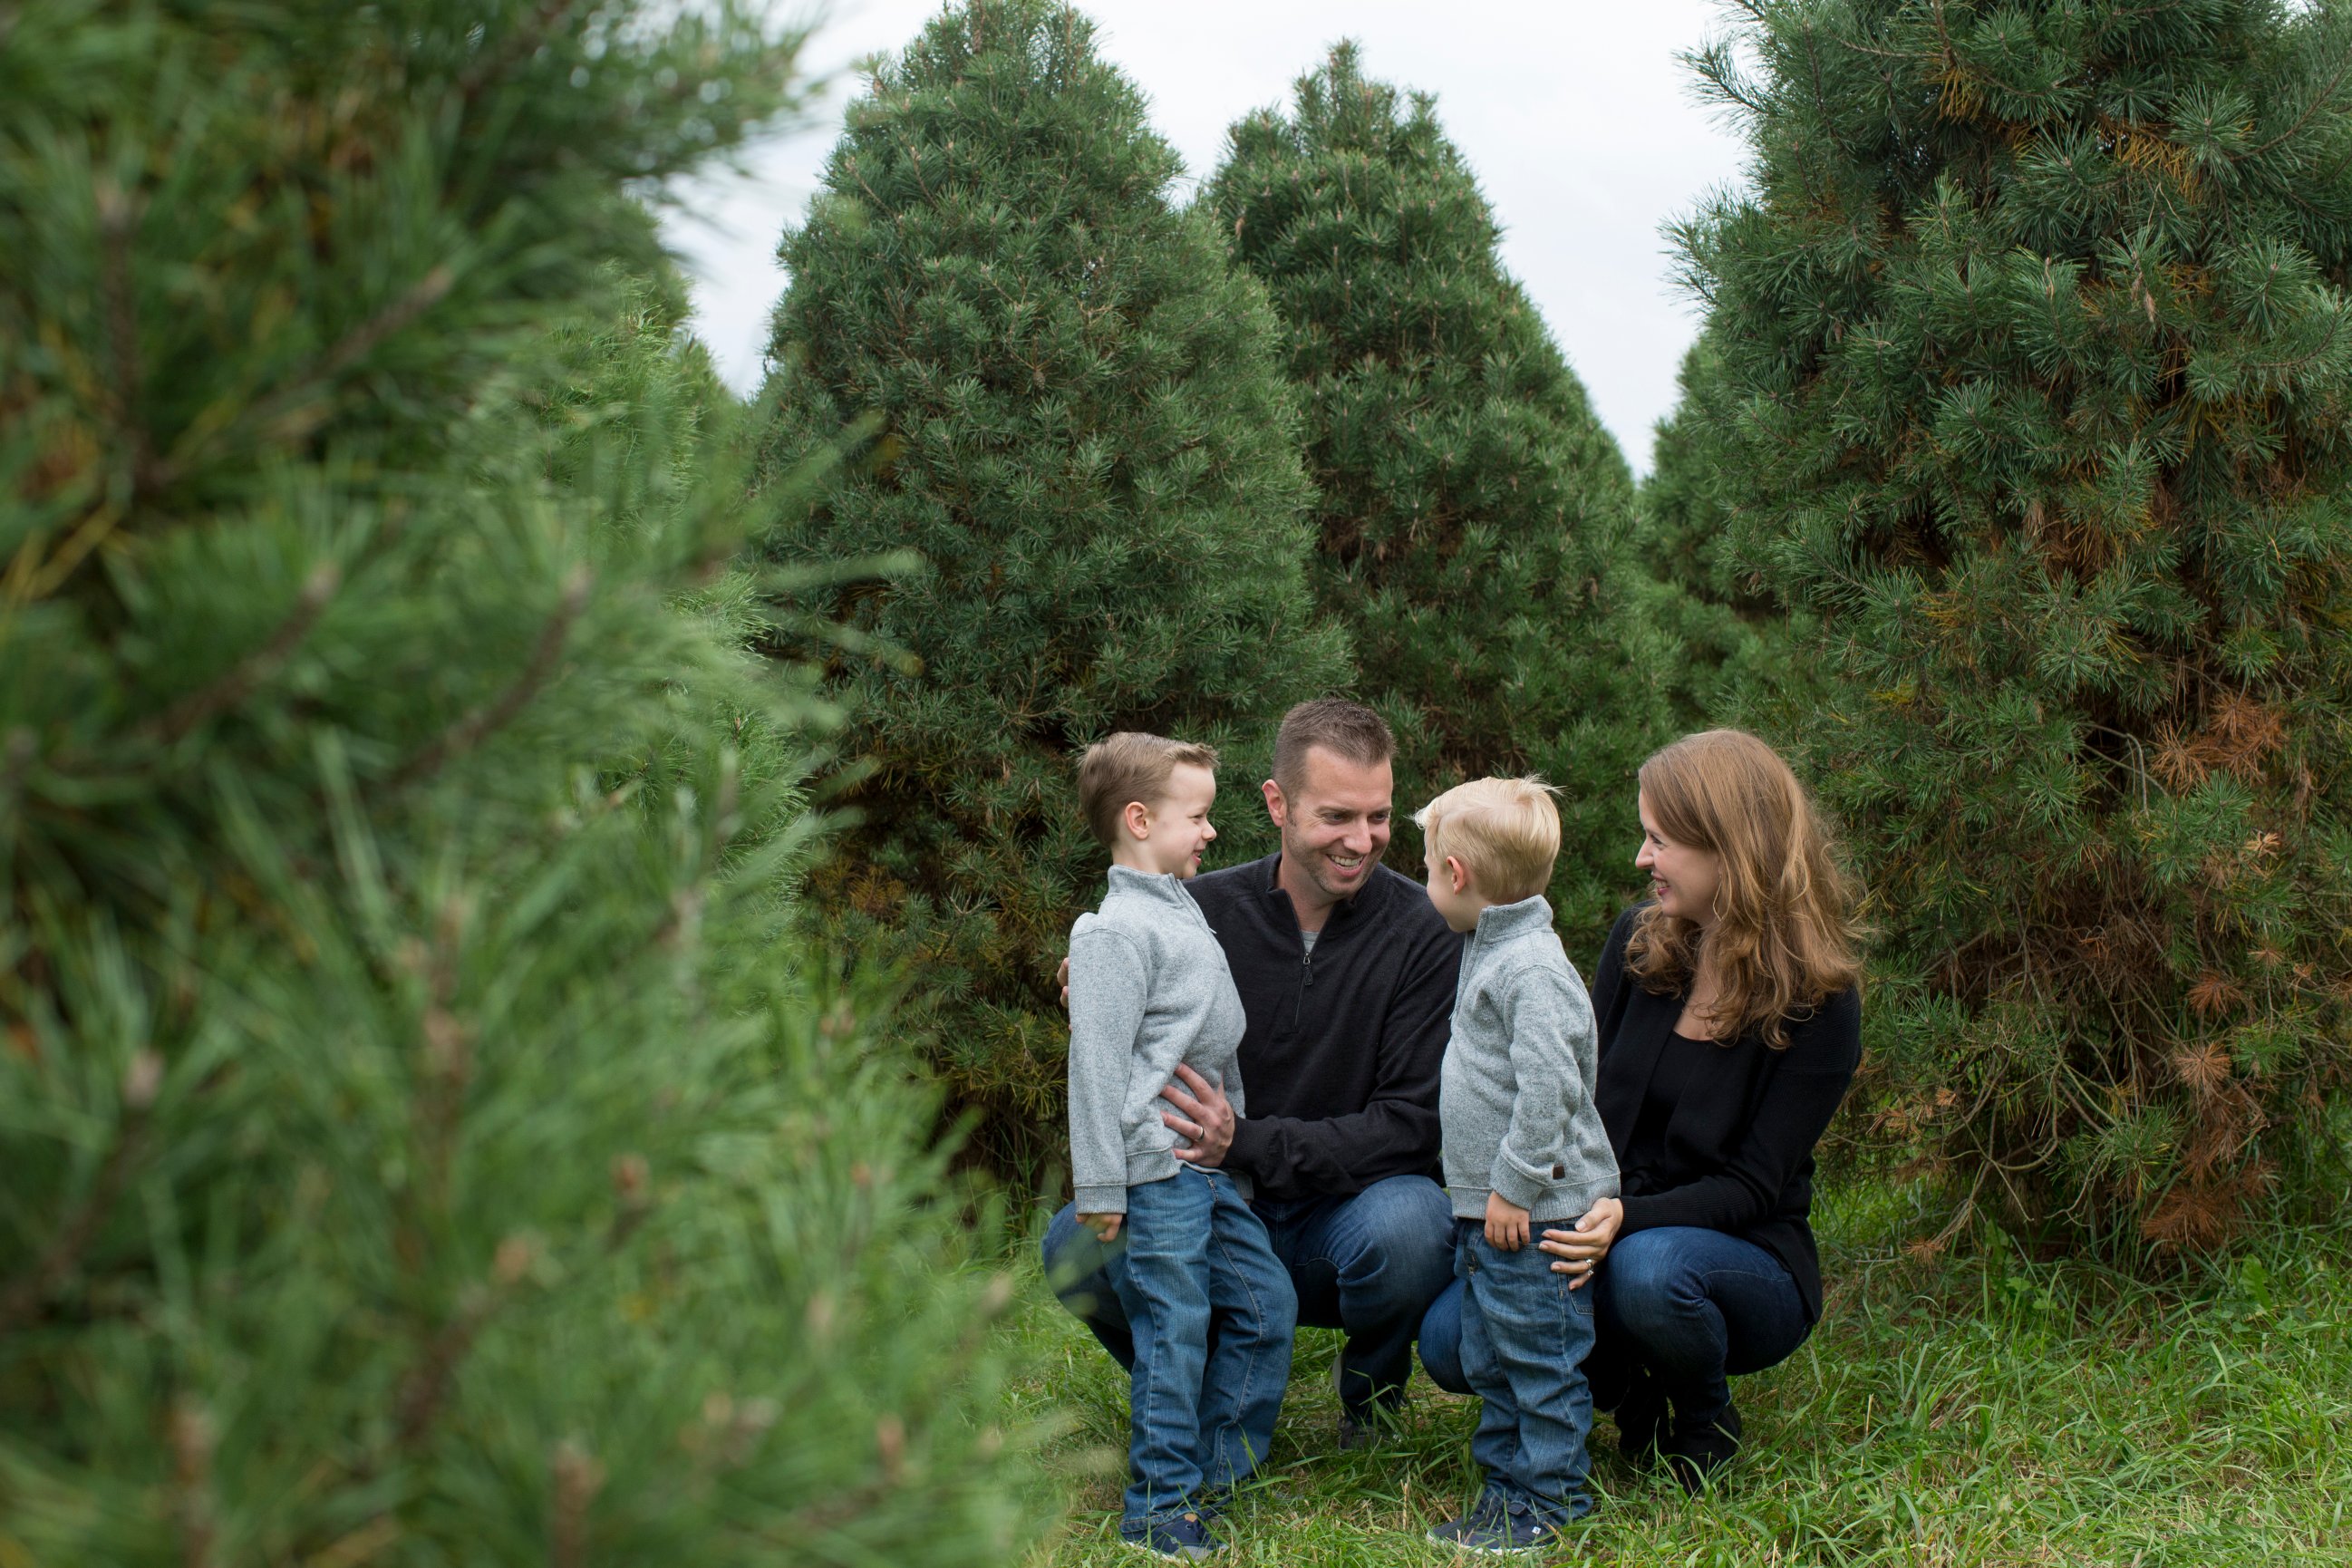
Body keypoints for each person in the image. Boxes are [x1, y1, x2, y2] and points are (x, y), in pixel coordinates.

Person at [1418, 729, 1863, 1493]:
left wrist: (1625, 1217)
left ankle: (1700, 1415)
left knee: (1649, 1276)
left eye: (1659, 839)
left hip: (1731, 1253)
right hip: (1592, 1223)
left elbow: (1756, 1184)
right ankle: (1618, 1382)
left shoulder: (1821, 999)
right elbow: (1575, 1099)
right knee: (1449, 1343)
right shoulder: (1638, 942)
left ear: (1729, 846)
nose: (1640, 858)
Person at [1044, 700, 1463, 1449]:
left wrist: (1246, 1142)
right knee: (1070, 1252)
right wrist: (1094, 988)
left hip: (1344, 1216)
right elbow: (1121, 1052)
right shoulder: (1193, 911)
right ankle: (1200, 1391)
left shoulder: (1423, 929)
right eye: (1336, 816)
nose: (1360, 841)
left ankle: (1369, 1393)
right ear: (1276, 803)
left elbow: (1409, 1125)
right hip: (1197, 1203)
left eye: (1378, 817)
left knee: (1412, 1225)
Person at [1065, 733, 1295, 1560]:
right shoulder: (1114, 930)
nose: (1208, 832)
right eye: (1194, 817)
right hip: (1154, 1171)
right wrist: (1101, 1188)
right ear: (1137, 819)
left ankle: (1215, 1472)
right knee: (1173, 1330)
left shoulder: (1173, 904)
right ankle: (1158, 1511)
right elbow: (1094, 1066)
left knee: (1266, 1308)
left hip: (1204, 1171)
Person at [1416, 778, 1618, 1551]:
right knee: (1493, 1359)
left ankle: (1552, 1503)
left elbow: (1552, 1088)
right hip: (1494, 1212)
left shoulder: (1527, 967)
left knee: (1537, 1362)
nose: (1427, 880)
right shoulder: (1491, 947)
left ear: (1456, 874)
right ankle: (1505, 1500)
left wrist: (1513, 1186)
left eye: (1430, 865)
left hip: (1535, 1213)